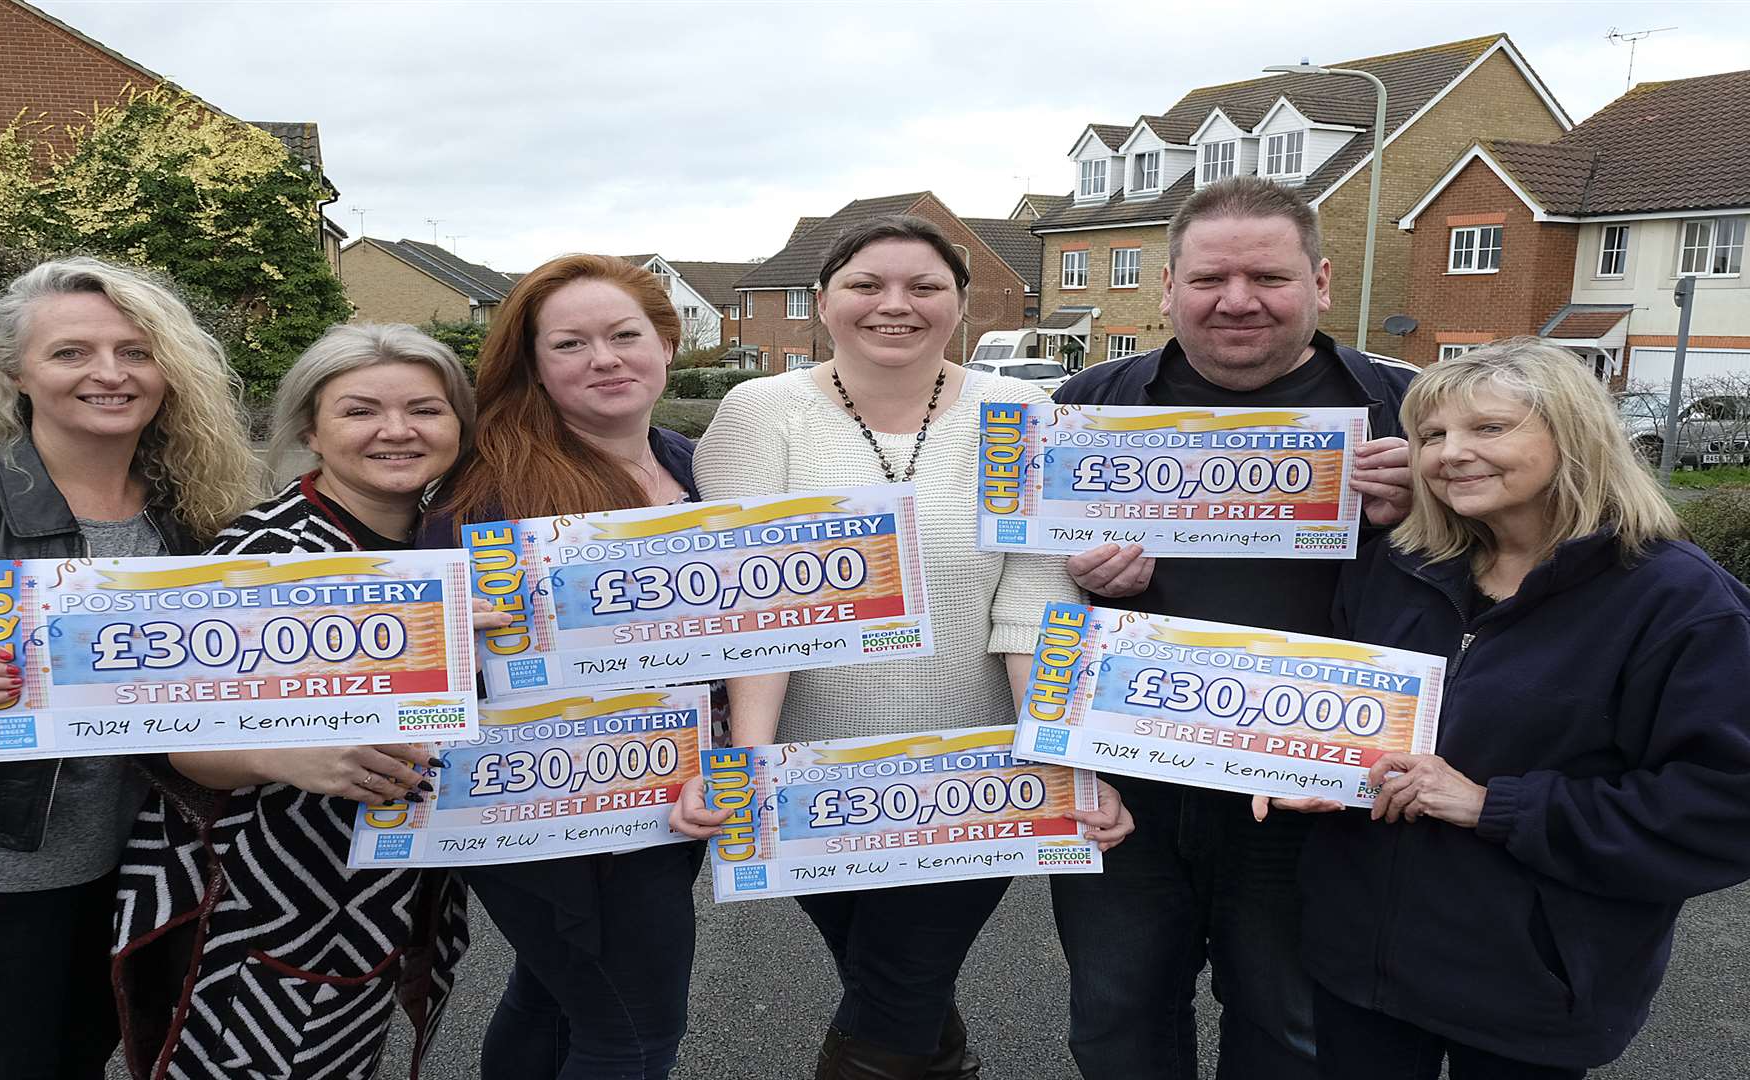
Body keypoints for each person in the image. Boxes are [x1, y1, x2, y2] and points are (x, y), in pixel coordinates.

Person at [670, 214, 1133, 1079]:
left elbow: (1033, 599)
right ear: (824, 300)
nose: (896, 306)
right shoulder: (759, 411)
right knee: (887, 979)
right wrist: (754, 763)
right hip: (814, 771)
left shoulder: (1022, 411)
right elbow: (747, 606)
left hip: (973, 771)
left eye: (924, 287)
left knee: (896, 989)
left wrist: (1064, 754)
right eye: (866, 285)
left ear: (962, 304)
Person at [1271, 340, 1750, 1078]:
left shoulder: (1677, 601)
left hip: (1529, 988)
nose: (1451, 454)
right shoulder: (1397, 567)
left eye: (1489, 429)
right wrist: (1309, 768)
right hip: (1359, 968)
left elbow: (1725, 806)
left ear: (1574, 436)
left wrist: (1494, 806)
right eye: (1431, 435)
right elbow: (1336, 717)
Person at [1047, 175, 1417, 1080]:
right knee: (1115, 1017)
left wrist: (1431, 517)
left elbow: (1506, 577)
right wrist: (1084, 584)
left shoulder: (1409, 411)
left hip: (1318, 784)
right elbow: (1018, 589)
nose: (1238, 300)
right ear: (1167, 287)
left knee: (1290, 1027)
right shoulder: (1087, 404)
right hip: (1133, 779)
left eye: (1269, 278)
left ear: (1322, 283)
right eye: (1209, 279)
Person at [0, 256, 259, 1079]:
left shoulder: (193, 511)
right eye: (72, 352)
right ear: (15, 372)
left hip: (140, 855)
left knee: (84, 1054)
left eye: (136, 352)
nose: (109, 373)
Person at [112, 323, 496, 1078]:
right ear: (311, 430)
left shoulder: (448, 542)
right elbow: (171, 741)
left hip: (384, 892)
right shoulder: (261, 556)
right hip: (268, 901)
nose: (396, 430)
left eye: (426, 408)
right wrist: (292, 756)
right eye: (359, 411)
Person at [428, 254, 705, 1080]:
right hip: (549, 801)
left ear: (666, 341)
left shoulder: (685, 460)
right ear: (535, 367)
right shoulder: (490, 489)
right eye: (571, 344)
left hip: (662, 778)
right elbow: (432, 651)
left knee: (557, 995)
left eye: (625, 335)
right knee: (634, 1029)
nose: (605, 358)